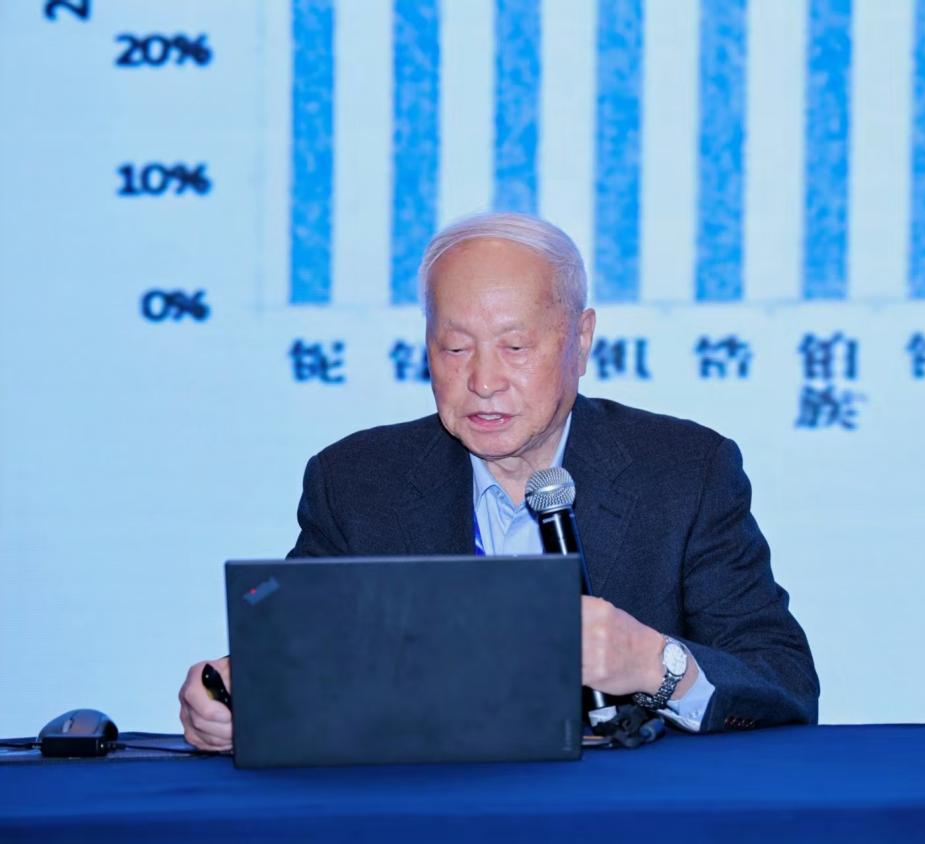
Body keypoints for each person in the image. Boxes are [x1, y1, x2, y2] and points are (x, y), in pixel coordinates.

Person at [179, 212, 818, 750]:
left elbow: (785, 685)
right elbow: (295, 654)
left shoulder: (684, 472)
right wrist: (236, 697)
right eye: (455, 348)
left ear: (581, 342)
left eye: (515, 347)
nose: (483, 381)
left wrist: (657, 665)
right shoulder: (356, 481)